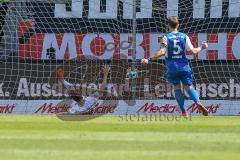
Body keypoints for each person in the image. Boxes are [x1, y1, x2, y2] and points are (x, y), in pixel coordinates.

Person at [141, 16, 208, 116]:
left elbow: (162, 52)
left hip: (172, 67)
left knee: (177, 88)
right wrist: (202, 47)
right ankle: (198, 102)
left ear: (168, 25)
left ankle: (184, 111)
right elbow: (193, 51)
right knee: (189, 87)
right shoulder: (184, 36)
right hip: (184, 66)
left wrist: (148, 59)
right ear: (178, 25)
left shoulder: (163, 37)